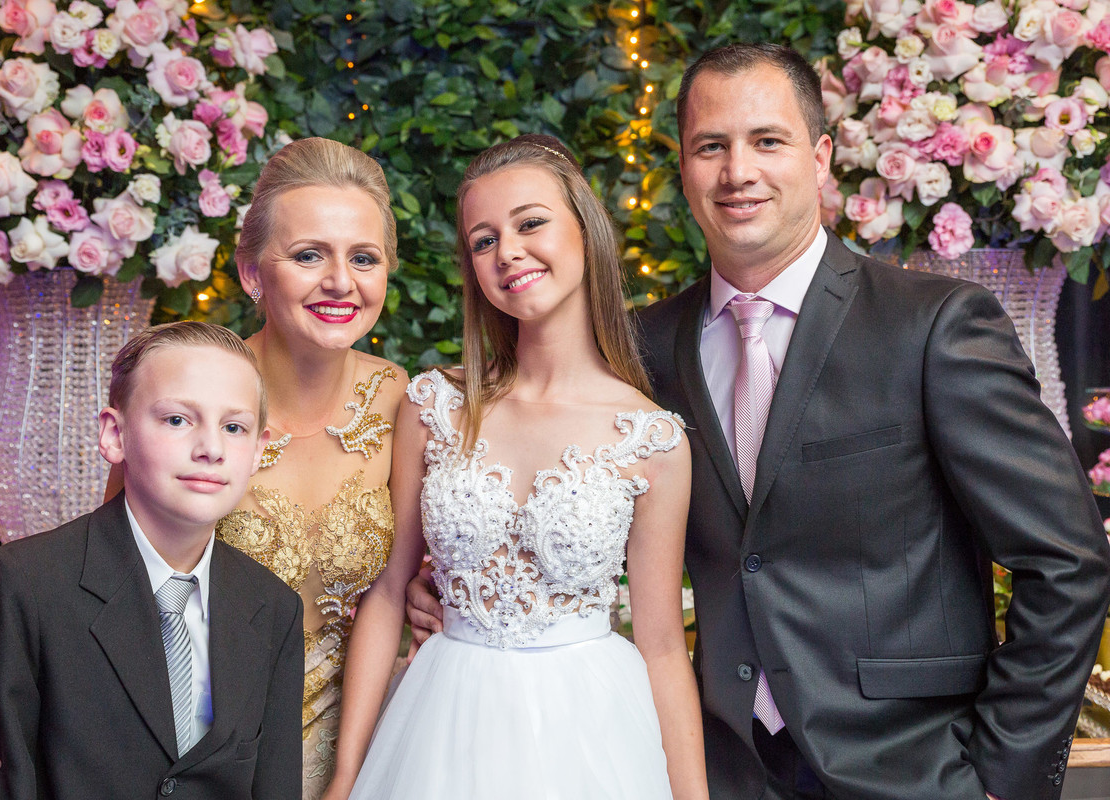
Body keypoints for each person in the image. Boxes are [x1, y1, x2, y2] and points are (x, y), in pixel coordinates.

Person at [408, 44, 1110, 799]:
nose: (737, 171)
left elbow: (1065, 561)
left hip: (915, 771)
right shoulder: (640, 351)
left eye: (766, 141)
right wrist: (450, 576)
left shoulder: (933, 326)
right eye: (712, 146)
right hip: (718, 770)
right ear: (684, 169)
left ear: (820, 159)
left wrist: (1003, 775)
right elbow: (537, 463)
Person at [0, 137, 409, 799]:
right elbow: (97, 579)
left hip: (354, 748)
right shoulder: (181, 386)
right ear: (254, 272)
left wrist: (350, 776)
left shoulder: (408, 401)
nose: (340, 282)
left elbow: (404, 584)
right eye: (309, 254)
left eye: (364, 257)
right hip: (151, 746)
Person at [323, 134, 708, 800]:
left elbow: (663, 644)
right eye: (483, 240)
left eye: (531, 223)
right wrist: (346, 778)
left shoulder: (652, 440)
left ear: (584, 231)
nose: (509, 252)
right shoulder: (433, 407)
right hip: (441, 726)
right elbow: (387, 595)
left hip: (591, 734)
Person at [0, 321, 304, 799]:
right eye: (177, 420)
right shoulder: (24, 583)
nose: (211, 449)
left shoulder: (273, 606)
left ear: (258, 450)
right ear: (114, 434)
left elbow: (274, 786)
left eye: (233, 428)